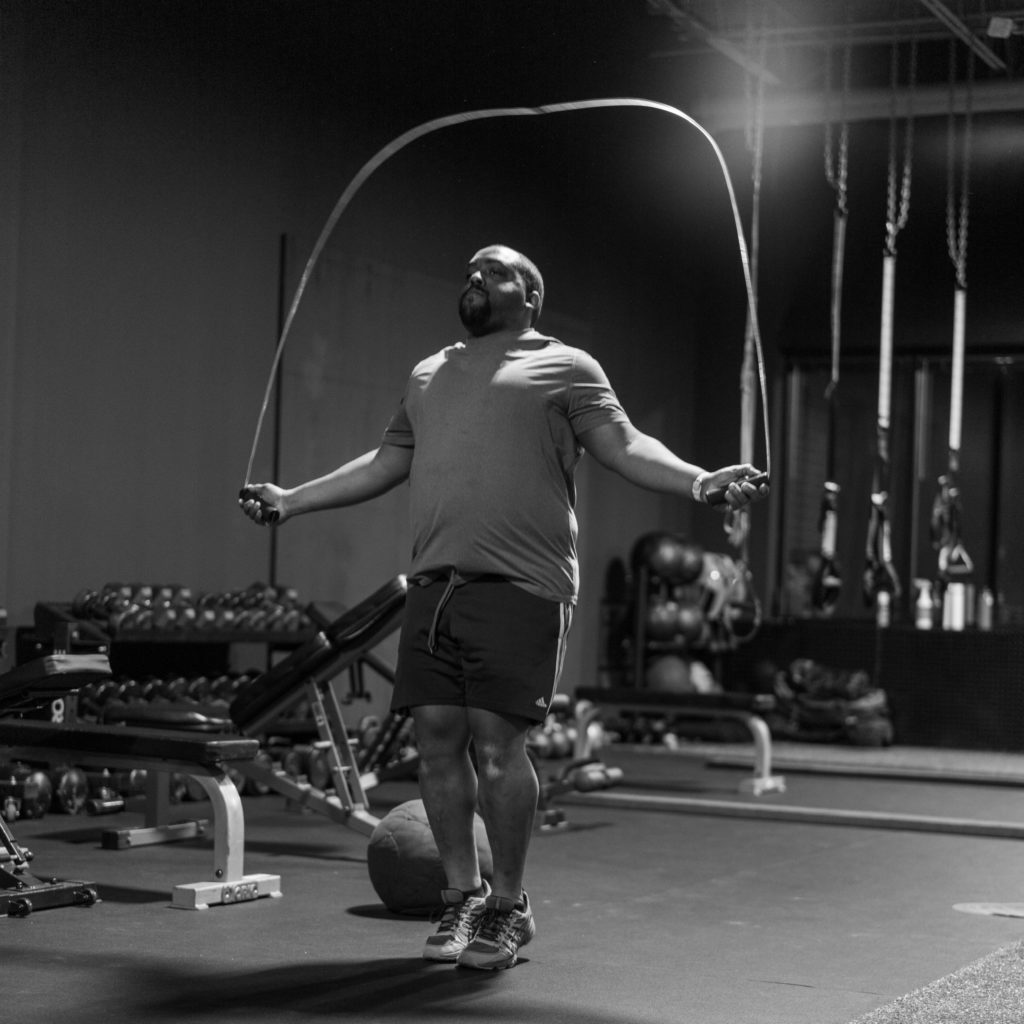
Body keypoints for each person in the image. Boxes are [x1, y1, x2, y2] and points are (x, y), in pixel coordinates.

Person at [240, 243, 768, 970]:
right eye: (469, 271)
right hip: (436, 585)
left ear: (530, 292)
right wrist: (292, 500)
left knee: (498, 745)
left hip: (521, 585)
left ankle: (509, 906)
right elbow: (387, 461)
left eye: (493, 270)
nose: (475, 278)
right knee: (434, 743)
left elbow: (624, 444)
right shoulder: (431, 373)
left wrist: (702, 481)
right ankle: (461, 895)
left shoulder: (567, 366)